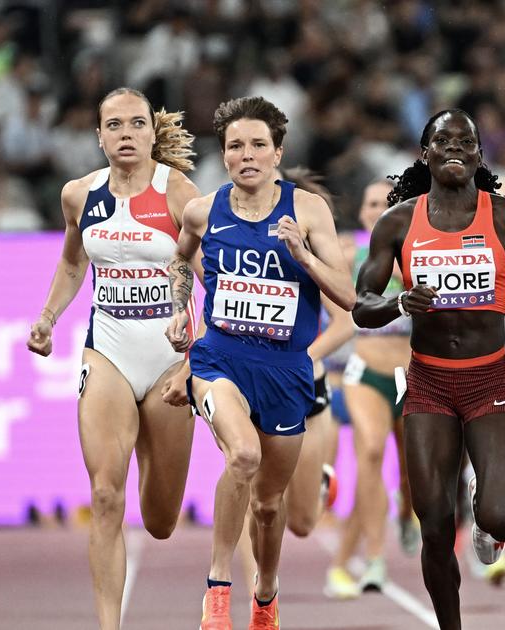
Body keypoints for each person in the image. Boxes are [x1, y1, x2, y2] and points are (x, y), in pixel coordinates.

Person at [353, 109, 505, 630]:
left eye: (464, 141)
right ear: (424, 154)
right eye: (441, 140)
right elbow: (362, 303)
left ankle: (485, 517)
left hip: (489, 377)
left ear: (477, 155)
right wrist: (400, 305)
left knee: (503, 518)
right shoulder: (399, 222)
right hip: (427, 382)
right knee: (433, 526)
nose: (454, 147)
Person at [164, 96, 355, 630]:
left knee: (270, 507)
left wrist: (305, 256)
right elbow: (181, 260)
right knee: (242, 456)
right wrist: (180, 309)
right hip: (221, 358)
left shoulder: (309, 210)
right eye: (234, 146)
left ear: (277, 153)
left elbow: (349, 299)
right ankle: (218, 588)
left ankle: (266, 593)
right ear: (223, 156)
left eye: (256, 145)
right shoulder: (203, 210)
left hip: (287, 370)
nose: (245, 155)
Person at [25, 87, 200, 630]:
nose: (126, 135)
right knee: (104, 492)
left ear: (153, 133)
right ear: (98, 136)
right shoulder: (79, 195)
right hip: (108, 350)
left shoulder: (180, 194)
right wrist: (49, 316)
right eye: (114, 126)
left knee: (162, 520)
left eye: (136, 125)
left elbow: (213, 274)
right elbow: (73, 262)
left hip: (170, 358)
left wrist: (196, 341)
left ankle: (153, 448)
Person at [234, 167, 355, 593]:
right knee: (252, 488)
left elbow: (344, 323)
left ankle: (320, 483)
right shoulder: (233, 243)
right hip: (247, 385)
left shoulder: (305, 247)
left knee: (303, 522)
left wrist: (296, 361)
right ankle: (258, 590)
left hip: (305, 388)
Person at [327, 179, 420, 600]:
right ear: (362, 212)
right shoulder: (349, 251)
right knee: (369, 454)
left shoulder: (420, 249)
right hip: (365, 369)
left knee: (412, 474)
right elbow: (335, 302)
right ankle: (376, 560)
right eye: (371, 203)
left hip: (414, 373)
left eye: (387, 203)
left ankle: (406, 511)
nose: (378, 209)